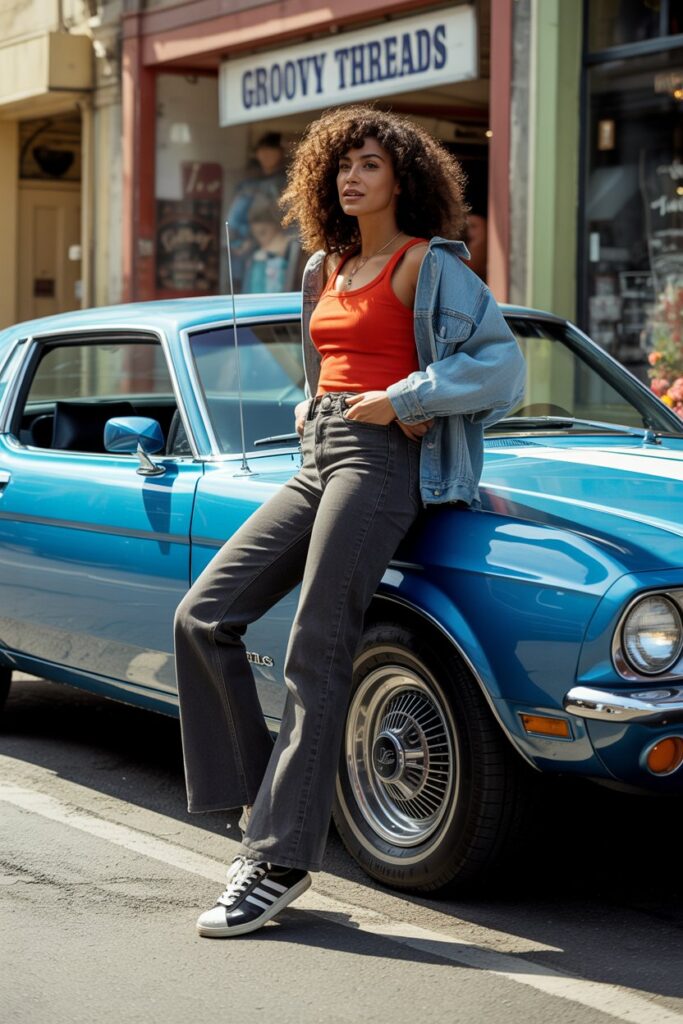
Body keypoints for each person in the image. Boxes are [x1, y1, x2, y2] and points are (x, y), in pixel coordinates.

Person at [174, 105, 526, 939]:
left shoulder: (427, 266)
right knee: (202, 615)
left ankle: (280, 858)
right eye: (342, 166)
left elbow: (500, 366)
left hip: (381, 463)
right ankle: (268, 811)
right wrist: (311, 407)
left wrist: (405, 398)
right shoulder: (321, 266)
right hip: (319, 455)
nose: (352, 177)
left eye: (369, 164)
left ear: (402, 178)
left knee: (316, 647)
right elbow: (324, 359)